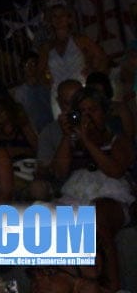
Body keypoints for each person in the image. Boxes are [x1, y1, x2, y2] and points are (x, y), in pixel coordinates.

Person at [53, 87, 134, 292]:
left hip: (112, 196)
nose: (88, 116)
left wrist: (87, 141)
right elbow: (59, 171)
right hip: (76, 194)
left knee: (95, 216)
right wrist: (67, 137)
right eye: (83, 111)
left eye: (93, 109)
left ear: (104, 112)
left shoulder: (118, 140)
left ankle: (111, 285)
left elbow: (115, 170)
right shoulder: (72, 140)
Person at [38, 0, 108, 116]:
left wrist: (94, 72)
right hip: (58, 94)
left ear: (69, 18)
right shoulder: (47, 47)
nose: (59, 19)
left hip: (81, 91)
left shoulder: (80, 40)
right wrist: (47, 83)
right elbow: (39, 72)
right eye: (55, 16)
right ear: (51, 20)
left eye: (62, 15)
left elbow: (102, 57)